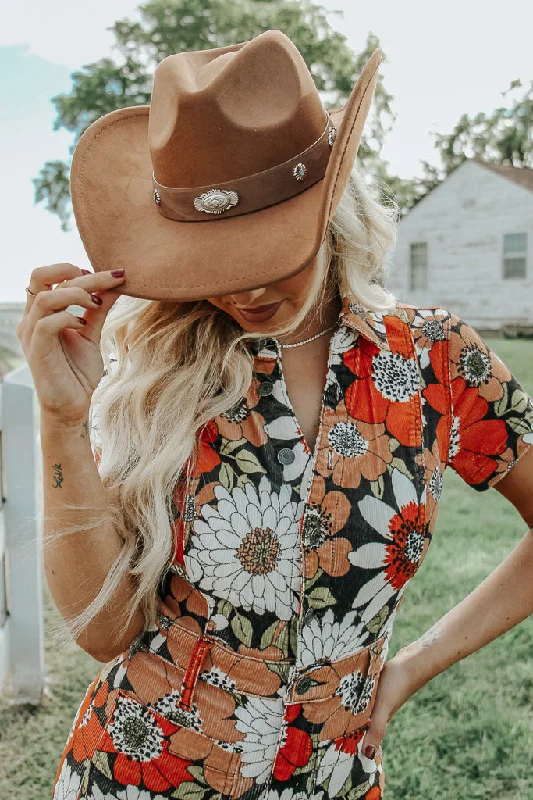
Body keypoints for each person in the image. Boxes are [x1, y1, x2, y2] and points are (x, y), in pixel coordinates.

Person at [18, 30, 533, 800]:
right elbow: (103, 634)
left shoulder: (437, 359)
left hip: (334, 780)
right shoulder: (159, 371)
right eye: (212, 259)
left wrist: (406, 670)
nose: (243, 288)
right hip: (138, 774)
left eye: (268, 247)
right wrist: (62, 419)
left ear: (329, 207)